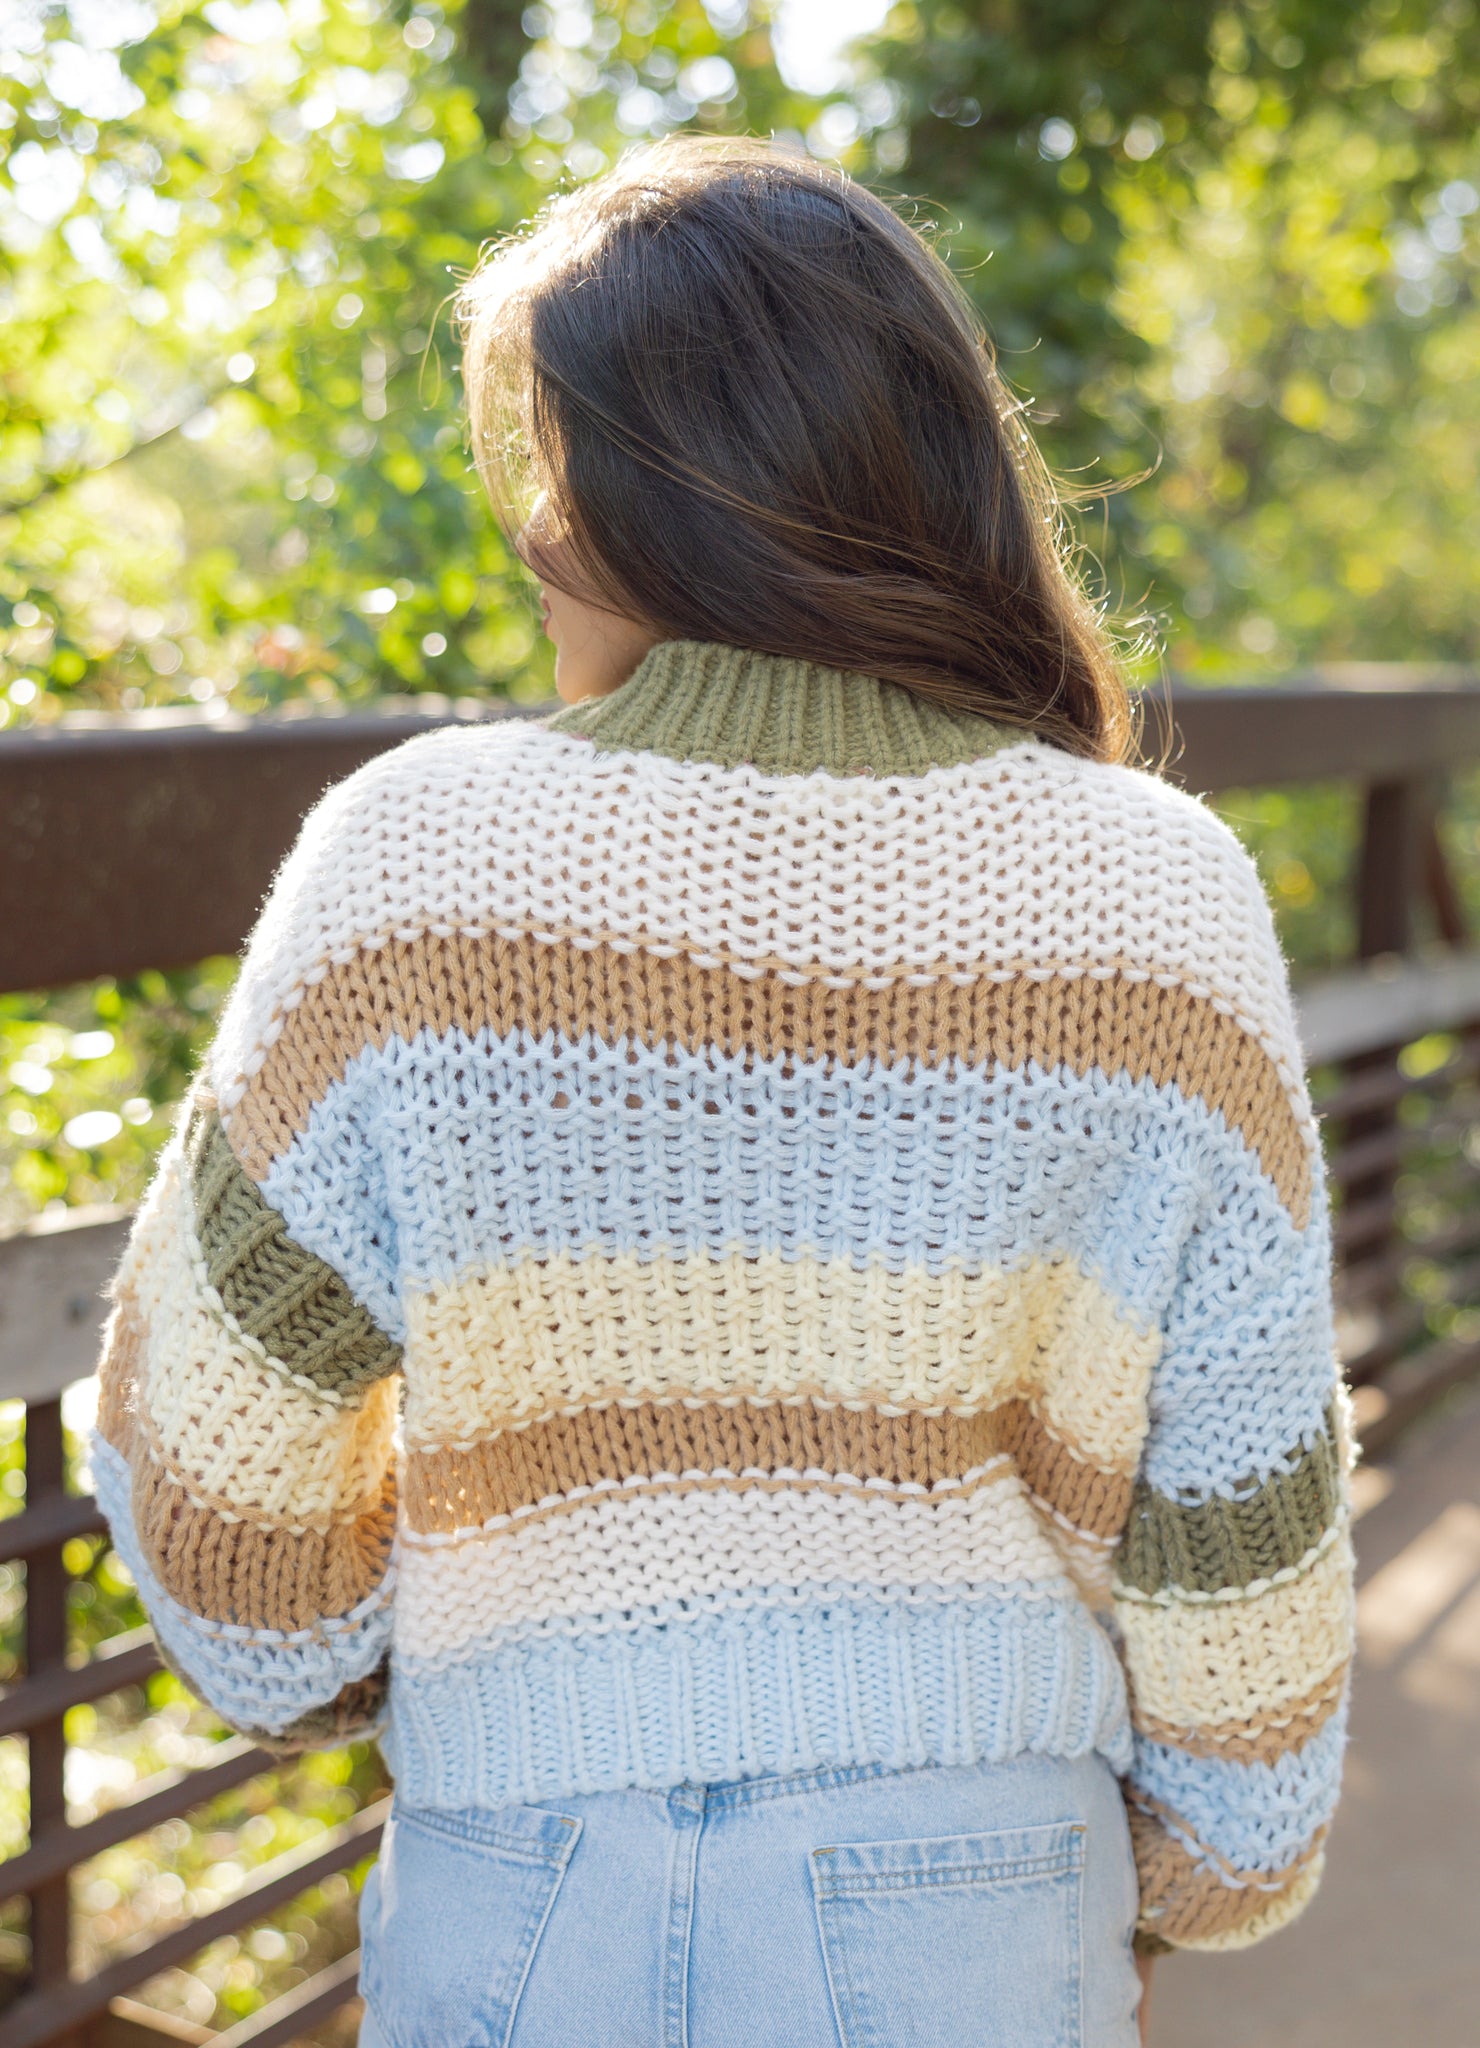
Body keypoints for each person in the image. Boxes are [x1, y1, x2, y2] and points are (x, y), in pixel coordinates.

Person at [94, 137, 1353, 2048]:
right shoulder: (1159, 893)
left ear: (630, 500)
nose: (534, 536)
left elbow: (215, 1482)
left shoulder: (410, 863)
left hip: (523, 1891)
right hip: (975, 1898)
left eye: (551, 473)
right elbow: (1243, 1492)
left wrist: (448, 1682)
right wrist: (1196, 1874)